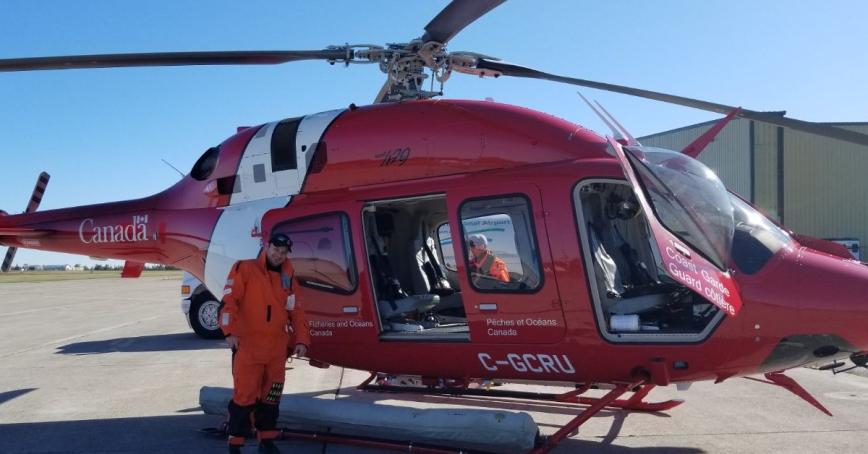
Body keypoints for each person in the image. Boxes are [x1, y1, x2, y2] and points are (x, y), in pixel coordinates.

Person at [219, 232, 310, 454]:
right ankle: (235, 444)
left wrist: (302, 340)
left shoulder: (288, 275)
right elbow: (229, 301)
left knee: (272, 397)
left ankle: (267, 441)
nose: (279, 255)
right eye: (276, 250)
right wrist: (228, 331)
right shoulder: (245, 269)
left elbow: (296, 311)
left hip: (277, 351)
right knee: (244, 399)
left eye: (283, 252)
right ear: (267, 247)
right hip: (249, 348)